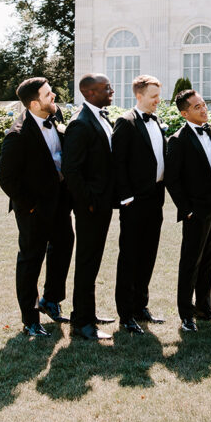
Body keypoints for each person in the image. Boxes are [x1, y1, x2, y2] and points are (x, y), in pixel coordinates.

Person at [0, 77, 74, 337]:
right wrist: (30, 206)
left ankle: (51, 300)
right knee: (31, 260)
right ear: (33, 104)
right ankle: (30, 318)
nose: (54, 97)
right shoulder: (17, 135)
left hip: (60, 202)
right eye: (48, 94)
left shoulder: (55, 115)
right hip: (34, 208)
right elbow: (7, 179)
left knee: (63, 247)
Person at [62, 73, 117, 340]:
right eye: (107, 88)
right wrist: (89, 203)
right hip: (91, 207)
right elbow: (71, 169)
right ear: (90, 93)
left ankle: (88, 313)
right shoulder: (80, 123)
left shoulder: (102, 117)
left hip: (103, 203)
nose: (112, 91)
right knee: (86, 263)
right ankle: (82, 322)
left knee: (92, 262)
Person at [111, 75, 167, 334]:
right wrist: (127, 198)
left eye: (158, 96)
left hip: (155, 198)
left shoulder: (156, 120)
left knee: (148, 254)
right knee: (130, 257)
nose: (158, 100)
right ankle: (125, 314)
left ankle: (140, 305)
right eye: (154, 96)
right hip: (134, 202)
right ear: (139, 95)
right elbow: (118, 163)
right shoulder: (126, 122)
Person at [166, 89, 211, 332]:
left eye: (203, 104)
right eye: (197, 107)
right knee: (190, 262)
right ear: (184, 113)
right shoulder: (178, 140)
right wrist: (187, 210)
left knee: (209, 259)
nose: (204, 109)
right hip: (196, 211)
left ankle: (204, 308)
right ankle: (186, 314)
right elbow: (172, 179)